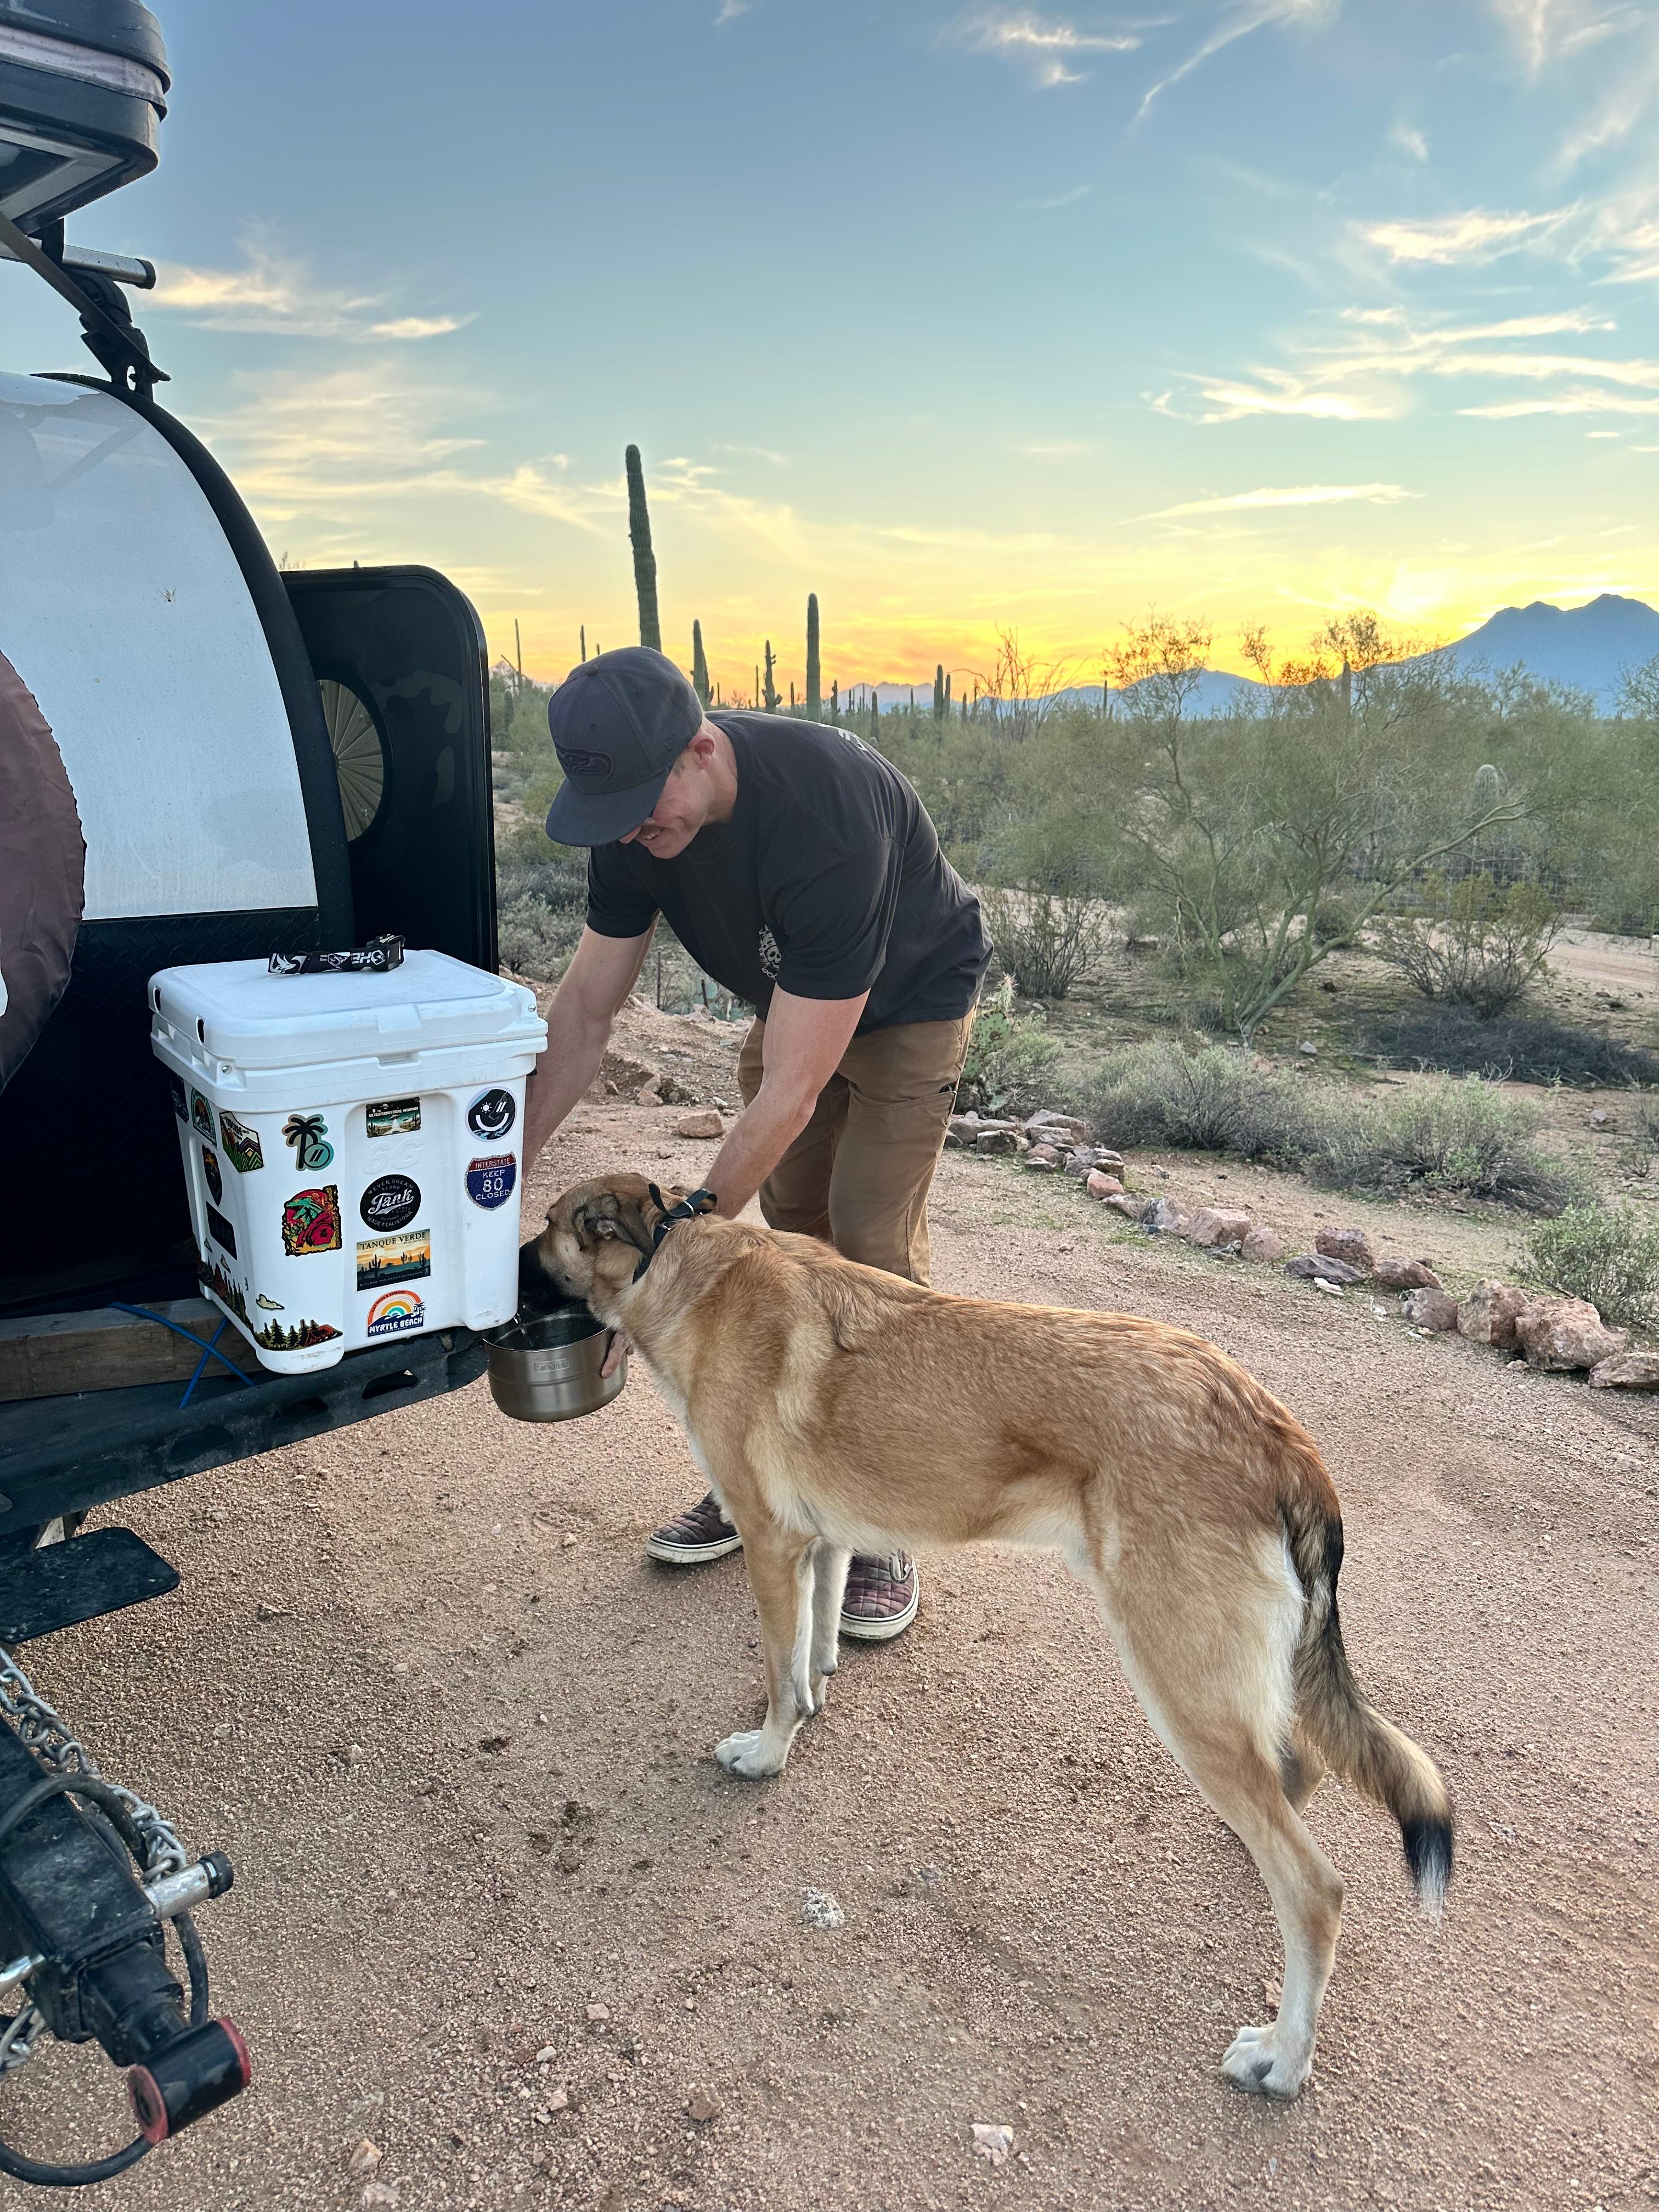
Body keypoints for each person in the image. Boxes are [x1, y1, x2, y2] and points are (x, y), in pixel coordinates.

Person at [523, 647, 989, 1641]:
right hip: (798, 1007)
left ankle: (881, 1519)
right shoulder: (631, 822)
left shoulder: (825, 812)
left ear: (700, 749)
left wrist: (666, 1257)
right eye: (615, 816)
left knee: (869, 1251)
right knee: (791, 1250)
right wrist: (496, 1171)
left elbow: (793, 1090)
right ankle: (765, 1479)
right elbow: (586, 1014)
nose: (634, 833)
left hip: (911, 1003)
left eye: (644, 808)